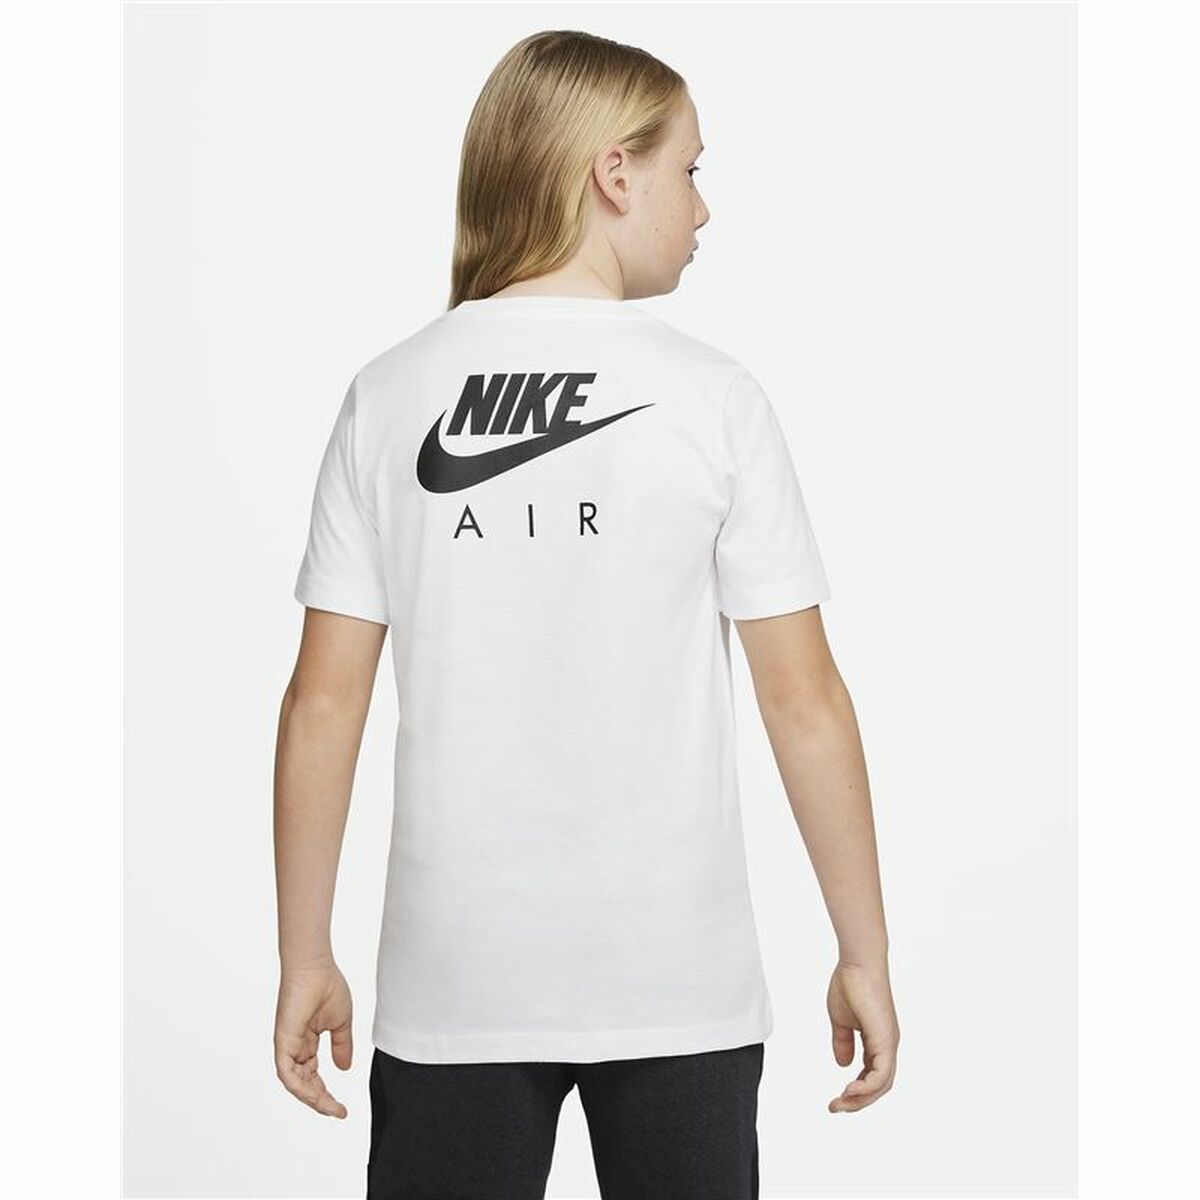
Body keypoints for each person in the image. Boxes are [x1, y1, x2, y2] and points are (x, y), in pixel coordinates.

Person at [272, 28, 898, 1200]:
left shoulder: (390, 393)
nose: (703, 209)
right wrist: (863, 950)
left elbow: (322, 701)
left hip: (456, 988)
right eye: (690, 171)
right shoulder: (714, 399)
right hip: (678, 986)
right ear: (616, 172)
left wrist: (304, 952)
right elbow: (804, 699)